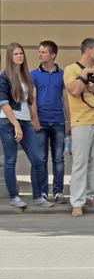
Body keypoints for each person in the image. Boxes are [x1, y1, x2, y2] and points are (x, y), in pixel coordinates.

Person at [0, 43, 53, 207]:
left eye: (21, 54)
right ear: (10, 57)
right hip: (8, 122)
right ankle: (14, 197)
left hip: (25, 121)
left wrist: (30, 118)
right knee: (10, 160)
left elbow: (29, 102)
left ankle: (38, 197)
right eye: (16, 54)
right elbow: (4, 103)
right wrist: (16, 125)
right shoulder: (4, 78)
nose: (19, 56)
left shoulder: (26, 76)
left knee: (38, 159)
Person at [64, 38, 94, 217]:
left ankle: (90, 196)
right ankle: (77, 202)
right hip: (81, 122)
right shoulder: (71, 69)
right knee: (80, 163)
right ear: (87, 51)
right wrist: (84, 74)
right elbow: (75, 91)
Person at [30, 40, 70, 203]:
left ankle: (58, 191)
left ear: (53, 55)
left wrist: (69, 121)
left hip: (58, 121)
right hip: (41, 121)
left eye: (43, 52)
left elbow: (65, 99)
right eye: (39, 52)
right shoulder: (34, 74)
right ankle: (43, 192)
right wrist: (35, 119)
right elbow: (32, 100)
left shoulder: (62, 75)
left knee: (59, 158)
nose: (39, 54)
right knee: (41, 158)